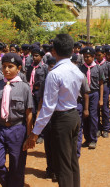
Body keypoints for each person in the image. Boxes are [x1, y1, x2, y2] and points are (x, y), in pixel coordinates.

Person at [24, 34, 84, 187]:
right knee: (71, 161)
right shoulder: (76, 69)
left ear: (54, 51)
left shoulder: (54, 74)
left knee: (62, 164)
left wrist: (35, 132)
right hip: (73, 115)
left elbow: (48, 107)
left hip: (62, 119)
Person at [0, 53, 33, 187]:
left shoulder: (24, 87)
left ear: (18, 68)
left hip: (17, 129)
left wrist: (29, 136)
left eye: (10, 67)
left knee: (17, 166)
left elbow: (29, 113)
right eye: (4, 66)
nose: (6, 70)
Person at [79, 47, 104, 149]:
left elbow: (101, 84)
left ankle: (93, 139)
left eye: (88, 57)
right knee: (85, 117)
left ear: (93, 57)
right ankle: (87, 138)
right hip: (84, 95)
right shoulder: (81, 68)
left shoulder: (98, 68)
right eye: (84, 57)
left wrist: (101, 99)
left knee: (93, 117)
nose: (86, 59)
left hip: (94, 94)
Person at [95, 46, 110, 138]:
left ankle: (106, 129)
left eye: (99, 55)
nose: (97, 57)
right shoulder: (94, 64)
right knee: (96, 109)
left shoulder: (107, 64)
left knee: (105, 109)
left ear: (104, 55)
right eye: (96, 55)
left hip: (105, 87)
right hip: (96, 87)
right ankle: (98, 128)